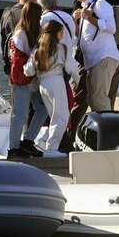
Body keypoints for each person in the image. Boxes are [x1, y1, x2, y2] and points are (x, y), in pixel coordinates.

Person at [71, 0, 119, 128]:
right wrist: (77, 21)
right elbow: (85, 37)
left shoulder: (100, 4)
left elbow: (111, 27)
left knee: (98, 99)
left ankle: (110, 135)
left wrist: (88, 17)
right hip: (93, 60)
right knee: (93, 99)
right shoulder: (87, 8)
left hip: (102, 57)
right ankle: (104, 133)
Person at [24, 20, 78, 157]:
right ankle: (51, 148)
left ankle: (45, 142)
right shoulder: (61, 48)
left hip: (43, 84)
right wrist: (77, 80)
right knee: (62, 117)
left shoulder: (38, 49)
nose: (62, 36)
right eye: (61, 33)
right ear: (56, 34)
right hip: (56, 81)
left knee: (54, 115)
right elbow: (71, 67)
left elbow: (28, 71)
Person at [7, 1, 47, 158]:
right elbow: (19, 57)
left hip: (33, 79)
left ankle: (28, 141)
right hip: (22, 80)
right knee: (20, 114)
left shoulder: (35, 31)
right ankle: (13, 148)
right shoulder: (20, 34)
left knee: (43, 109)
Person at [0, 0, 36, 78]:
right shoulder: (35, 15)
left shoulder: (7, 13)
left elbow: (2, 39)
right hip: (31, 67)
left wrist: (5, 63)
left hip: (13, 64)